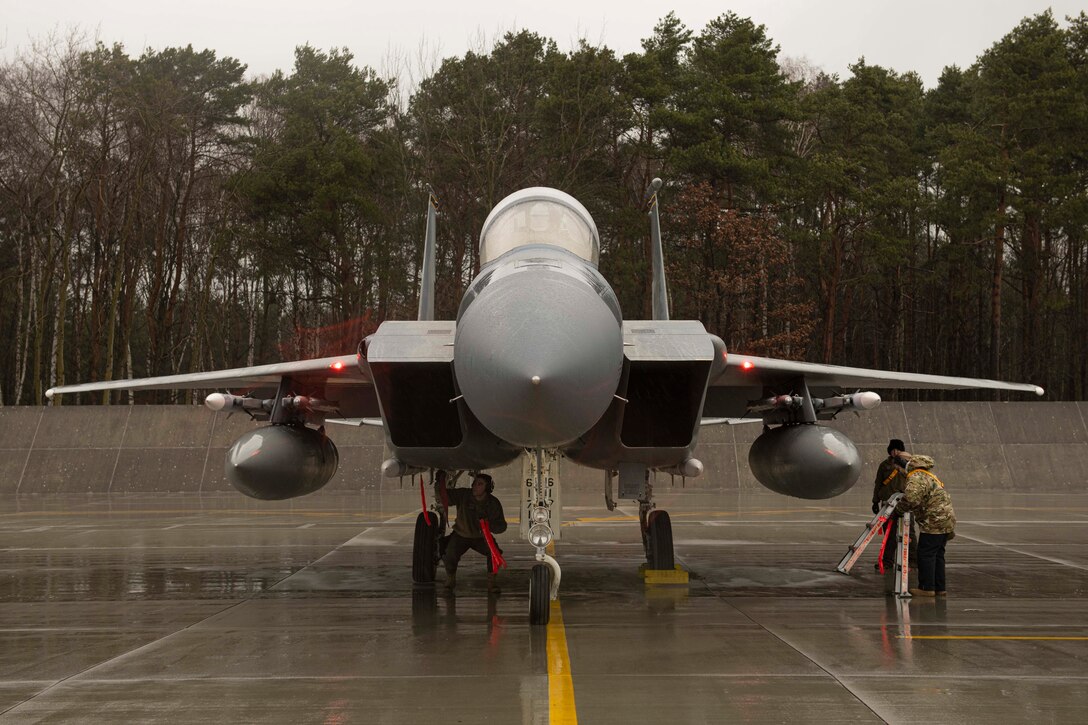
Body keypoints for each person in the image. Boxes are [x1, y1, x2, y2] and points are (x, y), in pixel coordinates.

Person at [894, 454, 956, 597]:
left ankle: (926, 588)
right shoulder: (928, 475)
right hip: (946, 519)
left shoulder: (916, 477)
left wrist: (898, 510)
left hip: (933, 521)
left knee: (926, 554)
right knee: (938, 554)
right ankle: (940, 588)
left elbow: (911, 499)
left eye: (898, 469)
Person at [442, 472, 507, 593]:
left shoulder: (493, 503)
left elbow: (502, 526)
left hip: (481, 537)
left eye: (480, 484)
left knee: (495, 554)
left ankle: (492, 582)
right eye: (474, 484)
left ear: (487, 488)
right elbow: (444, 496)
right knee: (449, 554)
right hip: (461, 534)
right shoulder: (464, 495)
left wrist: (489, 525)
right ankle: (450, 579)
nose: (475, 486)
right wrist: (440, 482)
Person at [871, 439, 915, 571]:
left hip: (905, 503)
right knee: (889, 535)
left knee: (909, 534)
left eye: (898, 449)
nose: (895, 452)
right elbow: (878, 483)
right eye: (893, 450)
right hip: (888, 504)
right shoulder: (884, 465)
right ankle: (887, 561)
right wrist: (875, 501)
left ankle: (913, 561)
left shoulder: (909, 464)